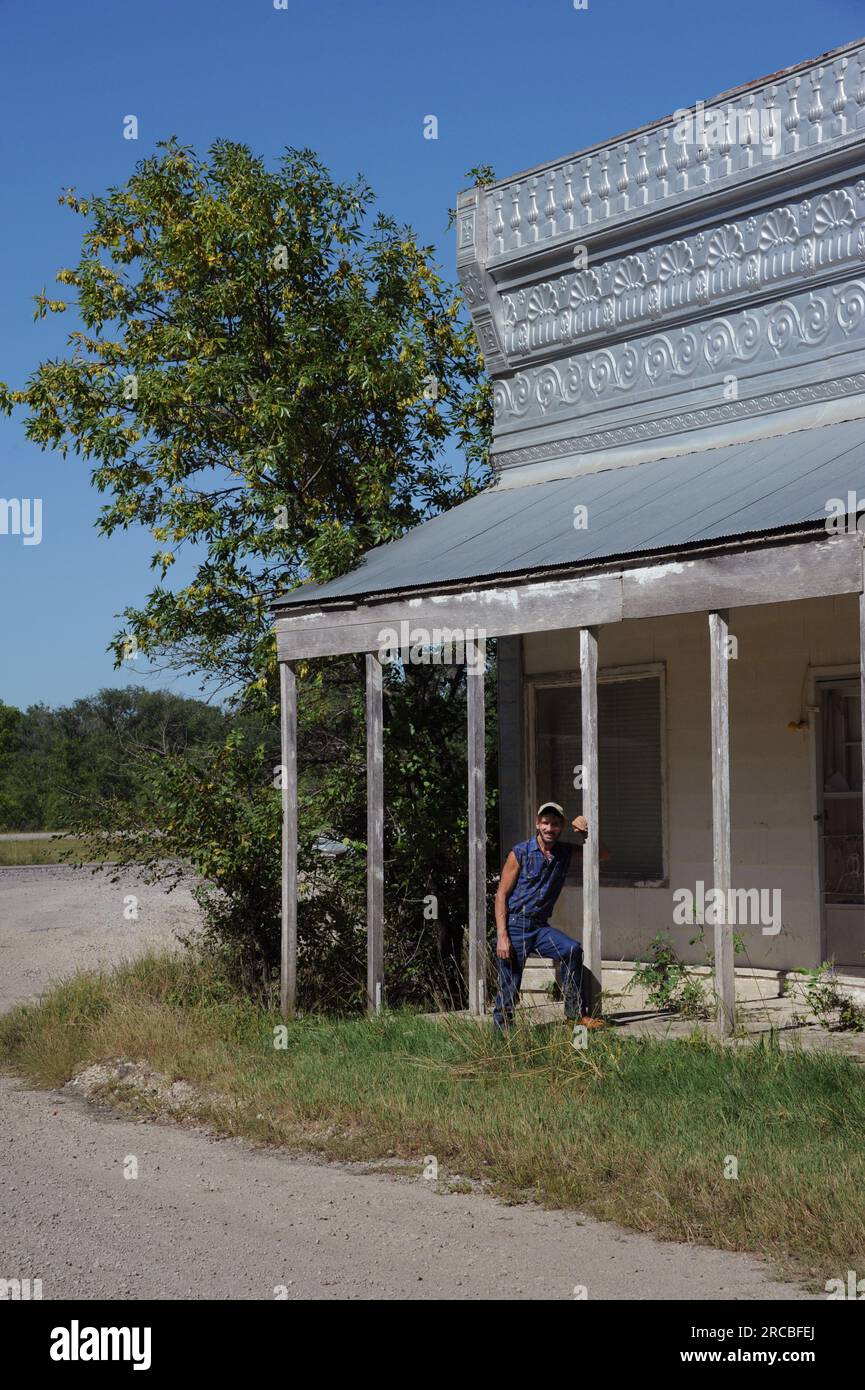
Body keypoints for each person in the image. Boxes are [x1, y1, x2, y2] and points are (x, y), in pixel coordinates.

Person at [493, 801, 608, 1032]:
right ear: (537, 824)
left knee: (572, 949)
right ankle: (501, 1037)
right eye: (545, 823)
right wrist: (502, 935)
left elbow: (602, 855)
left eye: (555, 824)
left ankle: (574, 1015)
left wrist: (588, 832)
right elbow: (501, 895)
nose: (549, 828)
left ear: (561, 826)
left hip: (539, 927)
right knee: (509, 985)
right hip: (515, 925)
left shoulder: (564, 852)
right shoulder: (521, 852)